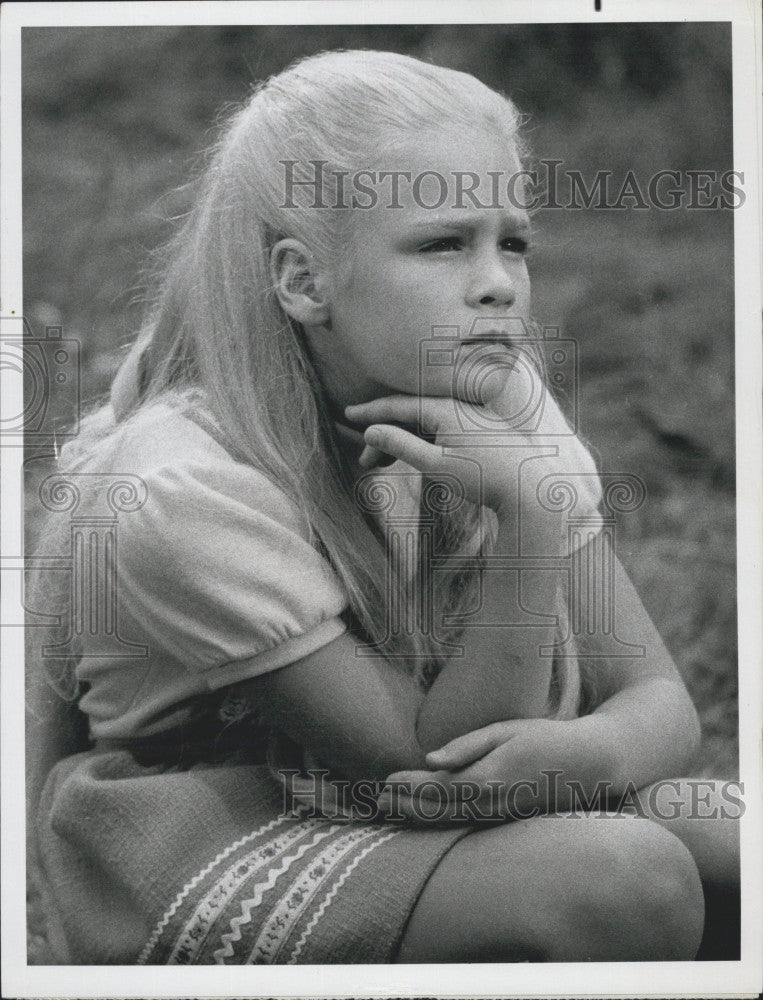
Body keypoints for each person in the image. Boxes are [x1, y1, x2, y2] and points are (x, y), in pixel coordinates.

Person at [27, 49, 739, 966]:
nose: (498, 283)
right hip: (211, 828)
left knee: (731, 839)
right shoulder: (186, 483)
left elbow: (656, 702)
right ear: (303, 280)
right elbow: (430, 765)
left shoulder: (498, 392)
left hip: (394, 807)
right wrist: (524, 520)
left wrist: (591, 755)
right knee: (626, 881)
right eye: (444, 243)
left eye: (511, 241)